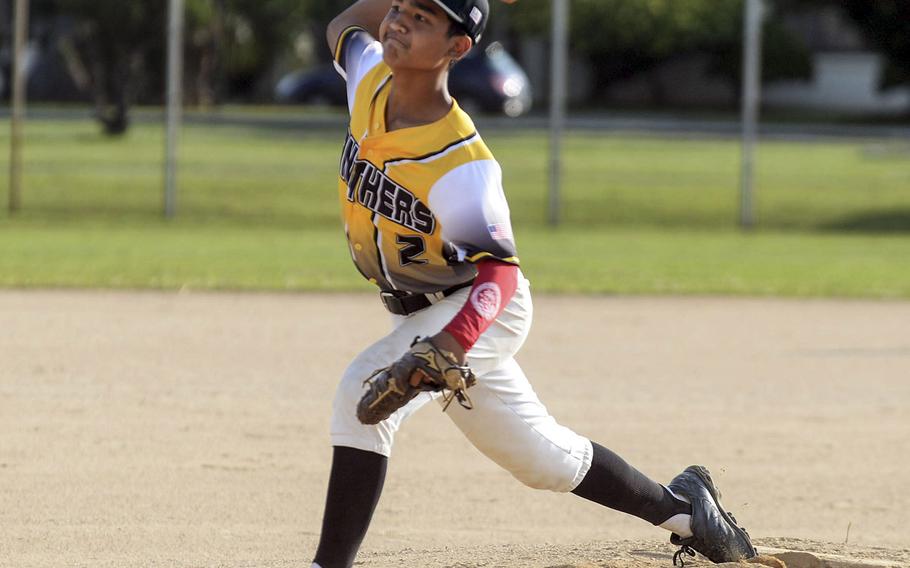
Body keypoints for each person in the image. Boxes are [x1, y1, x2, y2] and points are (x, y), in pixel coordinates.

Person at [312, 1, 757, 567]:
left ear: (458, 48)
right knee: (540, 458)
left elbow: (499, 272)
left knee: (359, 394)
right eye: (401, 7)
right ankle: (688, 513)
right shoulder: (368, 76)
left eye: (422, 19)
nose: (398, 21)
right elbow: (341, 25)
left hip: (480, 306)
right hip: (423, 313)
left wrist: (452, 343)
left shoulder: (461, 164)